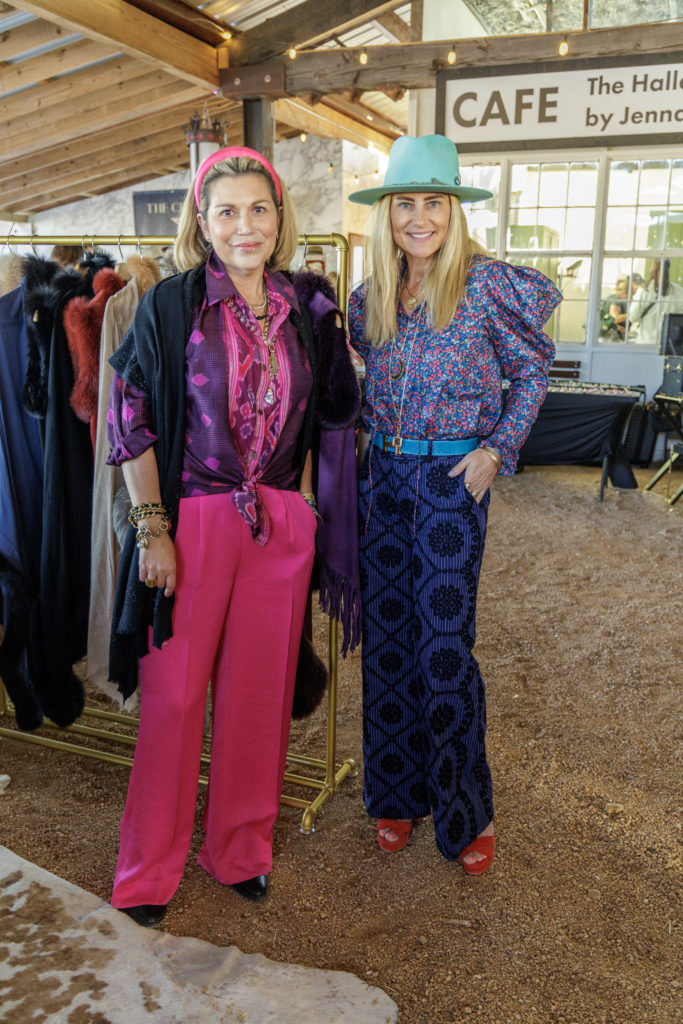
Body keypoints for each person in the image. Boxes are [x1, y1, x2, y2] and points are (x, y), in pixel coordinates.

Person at [106, 146, 359, 927]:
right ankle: (149, 870)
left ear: (278, 218)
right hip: (194, 519)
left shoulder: (306, 307)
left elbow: (327, 419)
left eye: (258, 209)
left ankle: (239, 850)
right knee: (176, 698)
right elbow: (128, 415)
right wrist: (152, 527)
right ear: (202, 223)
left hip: (279, 518)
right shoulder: (172, 305)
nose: (243, 225)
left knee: (256, 699)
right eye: (226, 212)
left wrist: (308, 513)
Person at [348, 134, 561, 875]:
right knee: (388, 645)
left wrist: (496, 449)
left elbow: (534, 371)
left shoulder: (488, 285)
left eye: (431, 202)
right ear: (387, 214)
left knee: (442, 650)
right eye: (404, 202)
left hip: (448, 486)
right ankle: (397, 795)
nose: (417, 216)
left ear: (452, 210)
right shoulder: (369, 294)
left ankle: (466, 811)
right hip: (382, 484)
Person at [630, 260, 683, 346]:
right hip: (667, 345)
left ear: (652, 269)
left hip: (644, 343)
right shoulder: (678, 291)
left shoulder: (644, 290)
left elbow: (632, 317)